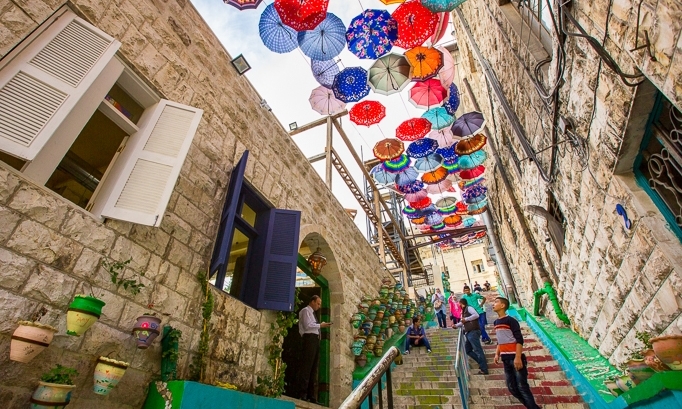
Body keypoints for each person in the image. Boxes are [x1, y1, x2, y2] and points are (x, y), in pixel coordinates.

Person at [493, 297, 542, 409]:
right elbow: (500, 340)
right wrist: (497, 354)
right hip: (505, 359)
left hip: (515, 357)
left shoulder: (511, 320)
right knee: (512, 388)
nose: (493, 304)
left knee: (522, 387)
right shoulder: (496, 322)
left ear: (503, 306)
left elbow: (519, 339)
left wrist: (518, 357)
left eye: (496, 302)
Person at [298, 295, 332, 403]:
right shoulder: (305, 311)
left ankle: (311, 395)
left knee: (313, 368)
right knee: (307, 366)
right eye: (317, 303)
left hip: (315, 340)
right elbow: (307, 326)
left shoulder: (313, 313)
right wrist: (320, 325)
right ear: (312, 301)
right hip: (309, 339)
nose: (319, 306)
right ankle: (302, 393)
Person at [455, 298, 488, 375]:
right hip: (468, 332)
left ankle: (484, 368)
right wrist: (456, 325)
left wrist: (466, 319)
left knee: (477, 350)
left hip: (473, 331)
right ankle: (481, 362)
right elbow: (462, 322)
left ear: (461, 303)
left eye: (459, 304)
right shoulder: (463, 312)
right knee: (468, 350)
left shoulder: (469, 308)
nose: (458, 305)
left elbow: (476, 315)